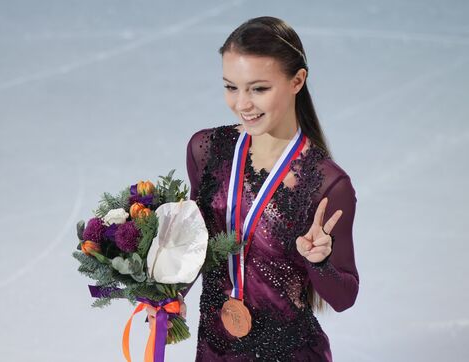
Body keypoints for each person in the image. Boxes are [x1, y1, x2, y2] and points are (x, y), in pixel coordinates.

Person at [148, 16, 359, 361]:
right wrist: (169, 295)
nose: (242, 103)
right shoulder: (207, 150)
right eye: (231, 87)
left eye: (258, 89)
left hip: (289, 353)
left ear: (297, 80)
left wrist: (319, 263)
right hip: (215, 349)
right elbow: (194, 241)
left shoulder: (328, 184)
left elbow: (344, 296)